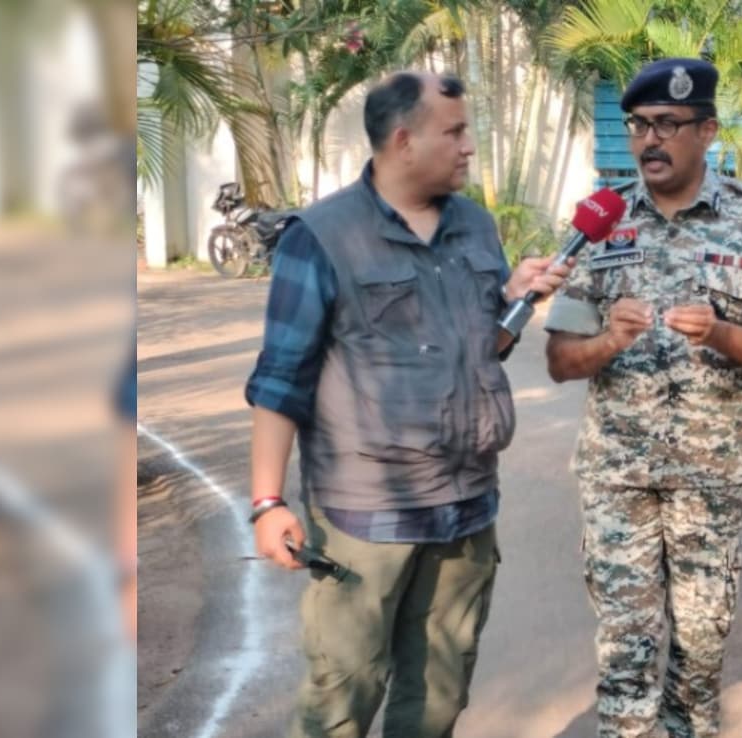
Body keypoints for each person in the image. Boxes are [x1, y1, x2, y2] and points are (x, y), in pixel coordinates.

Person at [244, 71, 571, 738]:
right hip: (367, 519)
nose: (468, 147)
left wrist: (516, 300)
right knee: (343, 699)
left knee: (437, 702)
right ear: (403, 140)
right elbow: (281, 377)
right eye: (453, 132)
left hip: (467, 510)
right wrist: (268, 502)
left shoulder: (476, 226)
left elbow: (482, 349)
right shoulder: (323, 236)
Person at [543, 58, 742, 738]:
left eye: (667, 125)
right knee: (625, 645)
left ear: (707, 130)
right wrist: (607, 345)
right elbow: (560, 360)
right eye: (638, 125)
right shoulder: (598, 223)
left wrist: (720, 332)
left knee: (700, 648)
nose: (648, 141)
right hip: (617, 473)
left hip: (710, 477)